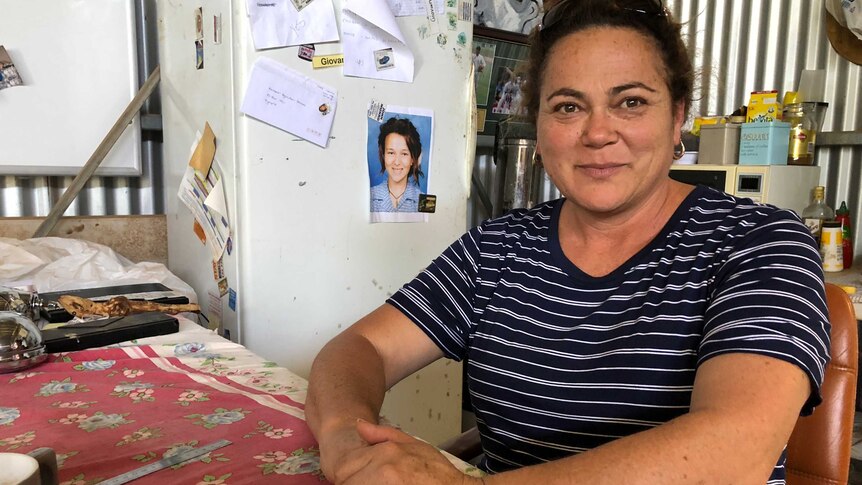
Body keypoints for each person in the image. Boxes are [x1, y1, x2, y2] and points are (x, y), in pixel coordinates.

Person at [307, 1, 830, 484]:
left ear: (677, 118)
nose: (598, 133)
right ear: (539, 125)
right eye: (567, 107)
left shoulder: (762, 243)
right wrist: (344, 441)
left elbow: (733, 451)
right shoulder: (498, 249)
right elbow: (360, 348)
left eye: (630, 102)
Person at [369, 117, 424, 213]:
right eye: (391, 153)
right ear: (383, 155)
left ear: (412, 159)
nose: (397, 162)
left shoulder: (422, 201)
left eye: (404, 154)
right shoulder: (369, 197)